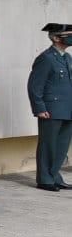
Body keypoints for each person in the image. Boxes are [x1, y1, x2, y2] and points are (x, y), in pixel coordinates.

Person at [29, 22, 72, 191]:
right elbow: (34, 86)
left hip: (68, 109)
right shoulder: (46, 58)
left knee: (61, 146)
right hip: (51, 110)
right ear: (55, 38)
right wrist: (39, 108)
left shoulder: (67, 58)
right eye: (67, 35)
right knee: (48, 145)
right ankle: (45, 179)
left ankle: (54, 175)